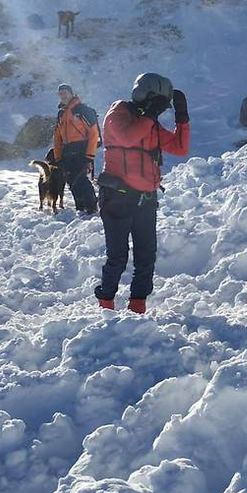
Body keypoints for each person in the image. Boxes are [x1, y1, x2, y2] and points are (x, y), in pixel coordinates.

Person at [93, 73, 190, 313]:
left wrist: (182, 117)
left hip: (145, 198)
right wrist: (149, 115)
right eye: (159, 102)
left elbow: (180, 147)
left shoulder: (150, 123)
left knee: (146, 256)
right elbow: (127, 138)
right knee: (117, 256)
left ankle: (138, 305)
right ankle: (105, 305)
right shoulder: (118, 113)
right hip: (118, 196)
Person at [53, 83, 100, 214]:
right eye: (60, 93)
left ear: (71, 94)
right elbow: (57, 137)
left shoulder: (82, 110)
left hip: (81, 150)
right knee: (71, 180)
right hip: (67, 151)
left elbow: (94, 133)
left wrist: (89, 156)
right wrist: (58, 157)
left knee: (81, 179)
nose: (63, 96)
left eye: (65, 92)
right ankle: (80, 208)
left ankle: (91, 208)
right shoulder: (61, 114)